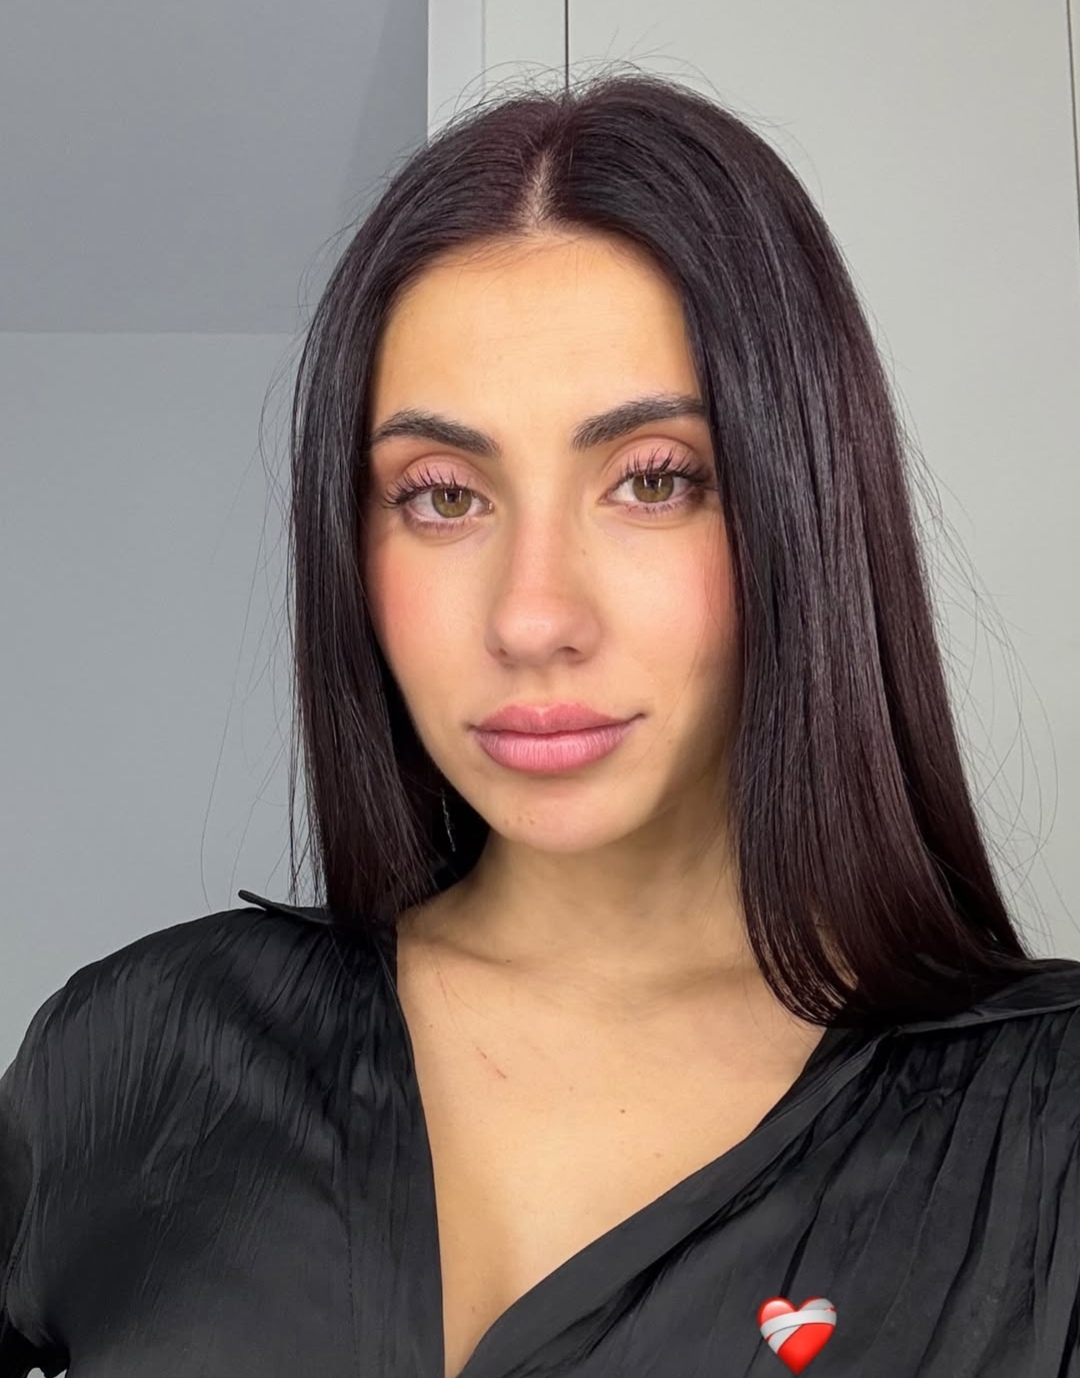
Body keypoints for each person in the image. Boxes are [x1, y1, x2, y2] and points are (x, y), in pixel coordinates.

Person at [2, 68, 1078, 1378]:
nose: (531, 616)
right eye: (443, 495)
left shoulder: (1049, 1128)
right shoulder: (135, 1056)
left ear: (804, 507)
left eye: (652, 480)